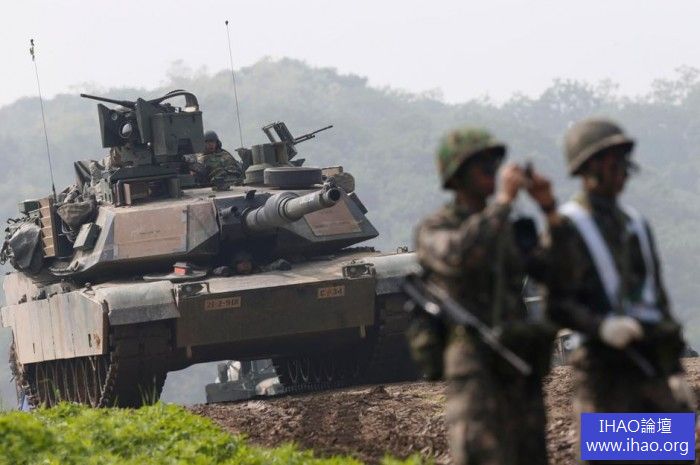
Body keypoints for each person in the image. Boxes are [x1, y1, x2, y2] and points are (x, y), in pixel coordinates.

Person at [547, 118, 696, 462]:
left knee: (669, 457)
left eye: (622, 160)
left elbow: (658, 303)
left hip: (652, 370)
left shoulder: (637, 225)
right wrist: (601, 327)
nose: (622, 170)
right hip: (604, 374)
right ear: (588, 167)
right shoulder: (568, 227)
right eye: (612, 160)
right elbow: (556, 304)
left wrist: (674, 371)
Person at [408, 127, 557, 465]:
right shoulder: (435, 228)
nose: (493, 172)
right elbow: (460, 256)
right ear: (457, 175)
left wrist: (549, 209)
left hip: (519, 368)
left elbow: (559, 272)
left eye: (495, 164)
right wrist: (502, 203)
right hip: (477, 372)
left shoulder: (506, 226)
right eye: (483, 166)